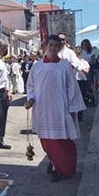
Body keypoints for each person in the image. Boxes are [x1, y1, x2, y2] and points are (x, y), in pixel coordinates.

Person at [24, 35, 86, 182]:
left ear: (59, 48)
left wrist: (72, 110)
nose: (52, 48)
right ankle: (54, 163)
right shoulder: (37, 66)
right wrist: (31, 99)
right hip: (42, 110)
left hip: (60, 109)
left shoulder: (64, 66)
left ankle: (62, 168)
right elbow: (30, 86)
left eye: (56, 46)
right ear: (45, 46)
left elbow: (72, 89)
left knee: (62, 141)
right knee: (47, 140)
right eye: (50, 45)